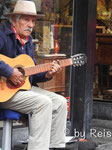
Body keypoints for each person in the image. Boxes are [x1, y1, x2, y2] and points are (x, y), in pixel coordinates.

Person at [0, 1, 67, 150]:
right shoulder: (2, 34)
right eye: (26, 19)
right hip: (3, 93)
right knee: (43, 103)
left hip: (21, 90)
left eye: (33, 21)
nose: (30, 25)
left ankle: (55, 146)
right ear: (15, 19)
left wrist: (48, 73)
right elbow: (10, 71)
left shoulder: (28, 40)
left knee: (60, 102)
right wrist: (9, 72)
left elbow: (31, 74)